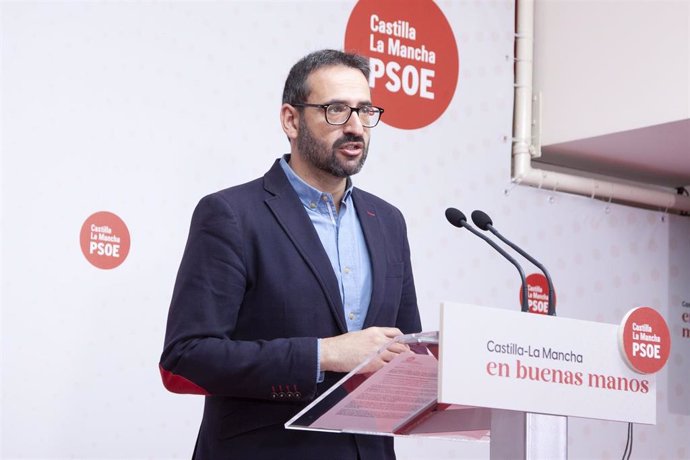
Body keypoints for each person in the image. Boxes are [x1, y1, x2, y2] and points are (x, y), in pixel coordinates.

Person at [159, 49, 422, 460]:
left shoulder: (388, 222)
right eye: (336, 110)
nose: (355, 127)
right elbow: (187, 357)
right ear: (291, 120)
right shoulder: (232, 215)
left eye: (365, 111)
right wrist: (326, 354)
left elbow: (405, 351)